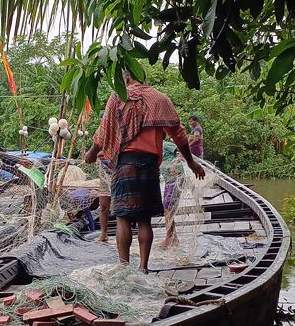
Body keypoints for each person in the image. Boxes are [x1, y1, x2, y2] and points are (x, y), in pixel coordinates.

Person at [84, 70, 205, 272]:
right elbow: (179, 135)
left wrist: (91, 153)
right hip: (150, 164)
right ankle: (143, 268)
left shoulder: (118, 96)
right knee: (144, 219)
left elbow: (103, 132)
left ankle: (124, 268)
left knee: (122, 216)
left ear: (127, 78)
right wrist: (192, 163)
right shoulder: (160, 99)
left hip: (125, 162)